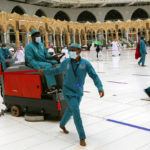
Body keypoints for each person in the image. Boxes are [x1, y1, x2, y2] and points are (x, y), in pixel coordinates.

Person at [43, 43, 104, 146]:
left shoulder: (85, 64)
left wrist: (100, 87)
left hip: (78, 91)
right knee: (76, 111)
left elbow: (94, 75)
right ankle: (82, 137)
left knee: (70, 110)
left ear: (79, 51)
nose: (71, 52)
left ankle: (62, 124)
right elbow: (57, 70)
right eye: (70, 50)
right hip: (67, 91)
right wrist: (45, 71)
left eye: (73, 50)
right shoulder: (66, 62)